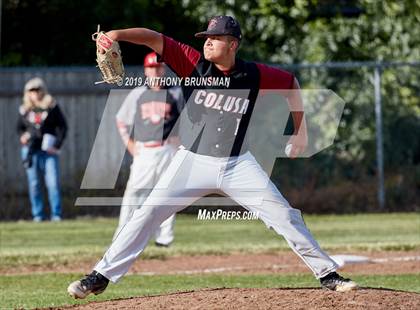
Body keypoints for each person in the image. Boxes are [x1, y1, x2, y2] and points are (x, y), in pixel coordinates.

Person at [68, 16, 358, 298]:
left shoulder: (253, 74)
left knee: (284, 215)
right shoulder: (192, 63)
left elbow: (291, 85)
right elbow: (153, 38)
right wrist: (117, 35)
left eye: (215, 38)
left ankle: (328, 274)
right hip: (191, 161)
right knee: (146, 213)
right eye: (206, 38)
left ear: (233, 45)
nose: (207, 43)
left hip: (237, 164)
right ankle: (100, 276)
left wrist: (300, 131)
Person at [113, 52, 183, 246]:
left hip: (168, 149)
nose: (155, 71)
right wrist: (130, 144)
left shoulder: (176, 92)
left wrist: (181, 143)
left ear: (164, 69)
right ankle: (122, 236)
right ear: (146, 70)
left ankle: (164, 239)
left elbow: (190, 120)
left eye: (159, 67)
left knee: (168, 194)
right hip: (144, 150)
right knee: (134, 193)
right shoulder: (138, 93)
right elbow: (121, 120)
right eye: (152, 68)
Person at [17, 77, 67, 222]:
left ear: (43, 90)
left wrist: (56, 145)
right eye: (31, 90)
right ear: (27, 93)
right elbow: (19, 128)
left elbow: (63, 127)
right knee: (34, 184)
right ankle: (38, 215)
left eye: (37, 89)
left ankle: (56, 215)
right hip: (31, 151)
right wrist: (23, 136)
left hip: (48, 151)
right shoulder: (25, 110)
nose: (35, 93)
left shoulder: (52, 107)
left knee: (53, 183)